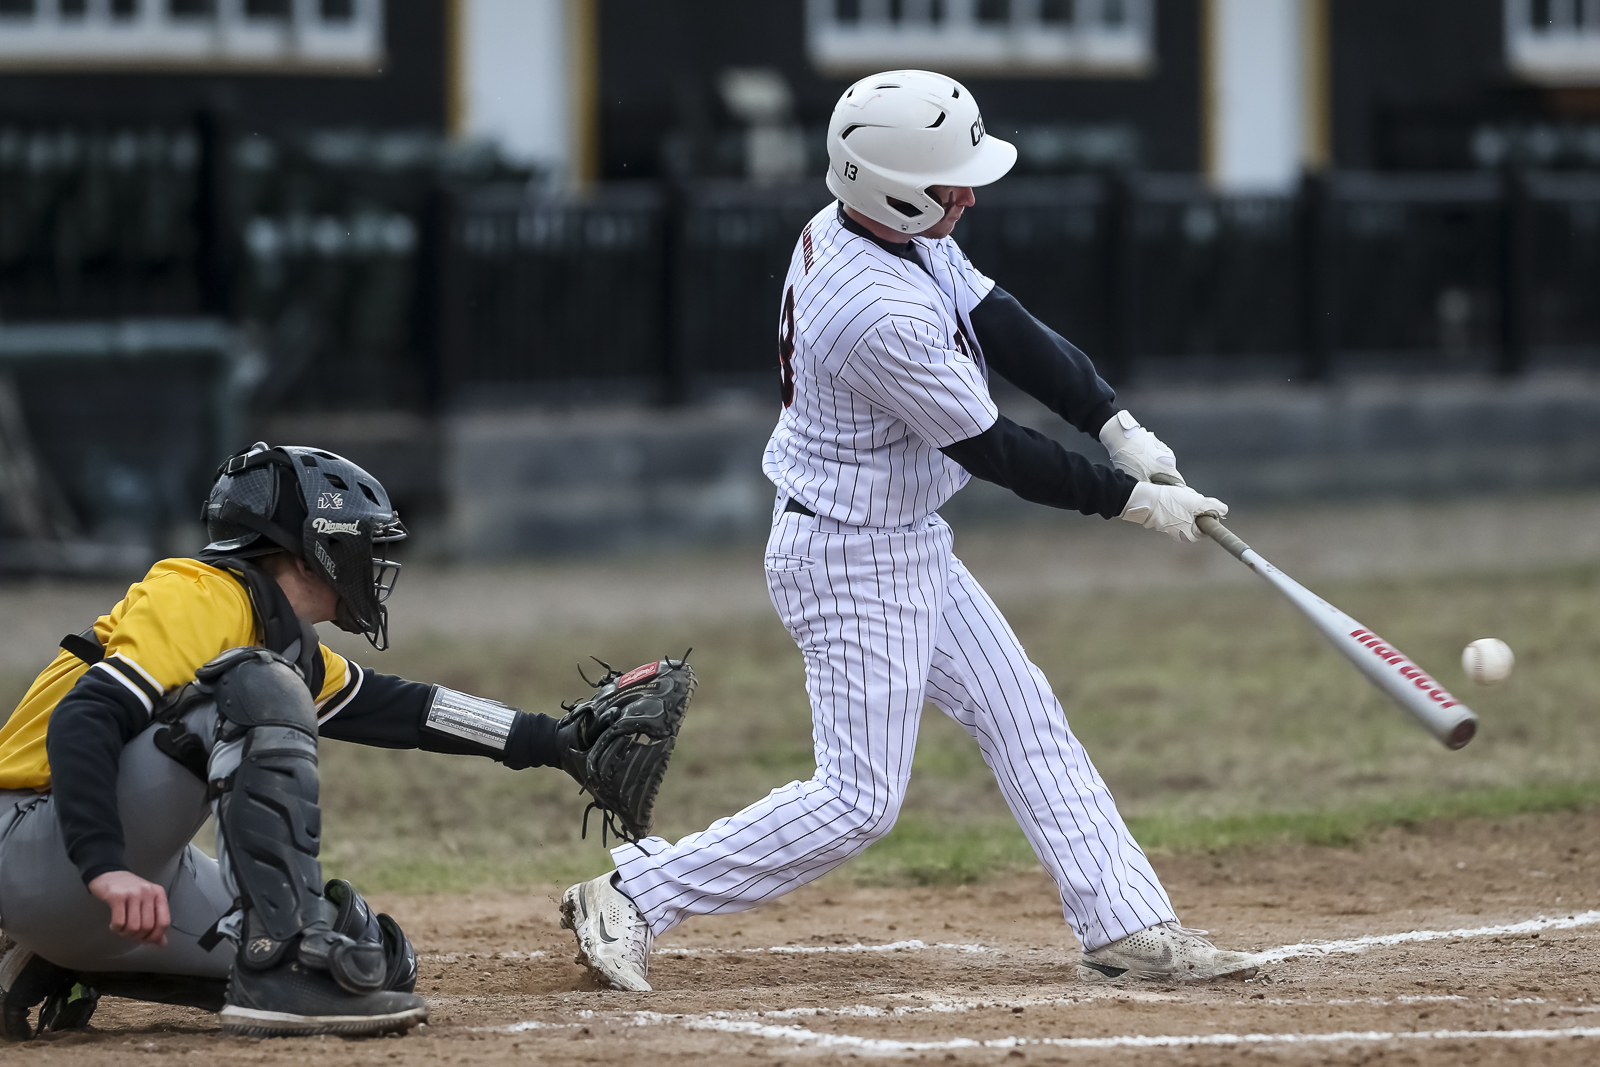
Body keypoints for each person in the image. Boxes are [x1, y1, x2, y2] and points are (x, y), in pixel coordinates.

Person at [561, 70, 1259, 991]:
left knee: (1024, 716)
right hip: (849, 557)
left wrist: (1113, 422)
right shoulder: (870, 307)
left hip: (902, 536)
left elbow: (1004, 325)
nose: (968, 196)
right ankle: (635, 892)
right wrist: (1134, 503)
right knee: (858, 801)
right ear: (885, 184)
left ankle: (1126, 924)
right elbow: (996, 447)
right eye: (948, 183)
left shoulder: (888, 230)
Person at [0, 442, 691, 1040]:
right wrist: (104, 864)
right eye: (362, 540)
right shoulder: (201, 595)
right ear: (314, 544)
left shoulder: (278, 639)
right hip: (38, 839)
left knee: (365, 959)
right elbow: (84, 716)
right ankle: (277, 969)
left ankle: (57, 959)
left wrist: (555, 739)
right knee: (260, 689)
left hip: (110, 882)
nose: (373, 558)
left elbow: (405, 709)